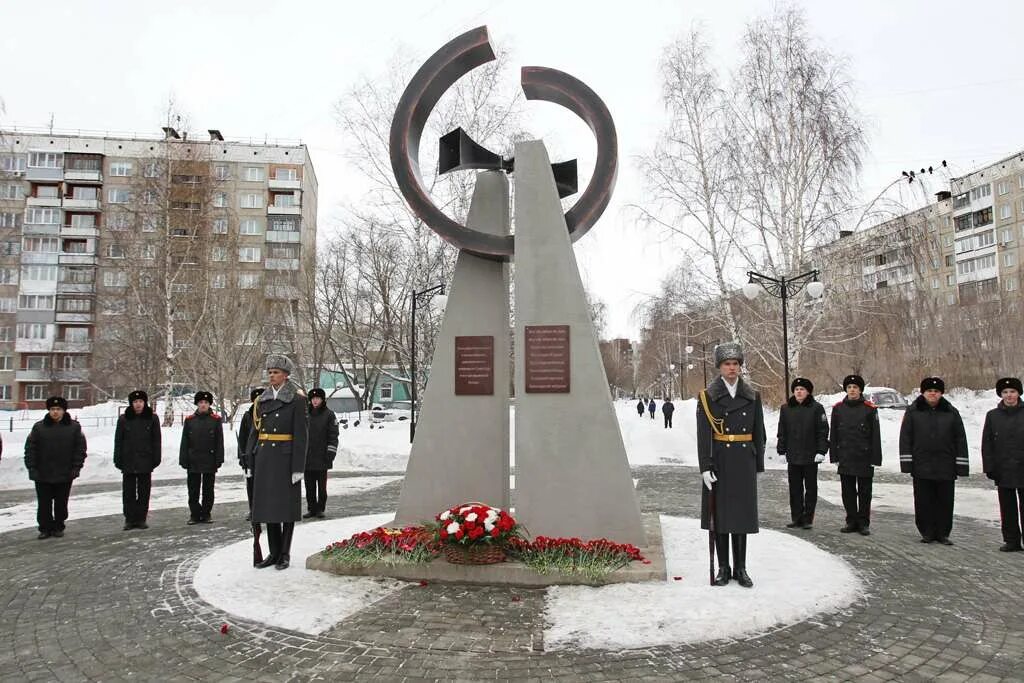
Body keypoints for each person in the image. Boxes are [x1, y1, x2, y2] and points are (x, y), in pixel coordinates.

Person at [697, 342, 765, 588]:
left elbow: (759, 432)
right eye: (727, 364)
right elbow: (704, 435)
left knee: (742, 517)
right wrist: (705, 466)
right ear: (719, 367)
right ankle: (724, 568)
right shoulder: (708, 397)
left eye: (736, 364)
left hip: (744, 461)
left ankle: (741, 568)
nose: (732, 368)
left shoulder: (752, 395)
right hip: (721, 462)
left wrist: (757, 464)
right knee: (722, 517)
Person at [247, 355, 308, 569]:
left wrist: (298, 467)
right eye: (270, 372)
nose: (272, 376)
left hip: (285, 457)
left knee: (286, 508)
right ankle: (273, 553)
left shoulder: (297, 400)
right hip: (265, 457)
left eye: (276, 372)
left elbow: (301, 435)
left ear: (286, 375)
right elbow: (255, 432)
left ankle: (284, 553)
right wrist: (249, 459)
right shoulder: (262, 400)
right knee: (268, 507)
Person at [899, 377, 969, 545]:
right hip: (921, 463)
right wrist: (907, 462)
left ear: (941, 393)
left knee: (945, 501)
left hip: (946, 464)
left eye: (936, 391)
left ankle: (943, 533)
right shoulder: (913, 411)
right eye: (929, 391)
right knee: (923, 500)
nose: (933, 394)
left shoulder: (951, 412)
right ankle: (927, 531)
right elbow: (906, 437)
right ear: (923, 393)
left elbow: (960, 439)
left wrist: (961, 465)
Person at [24, 396, 87, 539]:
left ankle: (58, 526)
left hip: (65, 473)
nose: (55, 412)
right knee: (44, 503)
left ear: (64, 411)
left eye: (58, 409)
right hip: (43, 473)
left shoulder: (74, 427)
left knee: (61, 503)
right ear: (48, 410)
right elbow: (30, 449)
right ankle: (45, 528)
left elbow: (80, 450)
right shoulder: (39, 427)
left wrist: (76, 468)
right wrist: (32, 468)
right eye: (52, 409)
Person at [830, 375, 882, 535]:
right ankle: (851, 521)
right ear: (846, 390)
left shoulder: (870, 409)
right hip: (845, 456)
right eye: (849, 387)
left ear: (860, 390)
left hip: (864, 457)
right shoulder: (838, 409)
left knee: (865, 492)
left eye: (855, 387)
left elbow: (875, 435)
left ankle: (863, 522)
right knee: (848, 492)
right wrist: (834, 456)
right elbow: (834, 435)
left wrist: (875, 458)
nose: (852, 390)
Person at [776, 377, 829, 530]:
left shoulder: (816, 408)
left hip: (811, 455)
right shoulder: (786, 408)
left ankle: (808, 518)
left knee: (811, 488)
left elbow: (823, 431)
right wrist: (781, 451)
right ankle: (796, 517)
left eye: (802, 389)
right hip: (793, 455)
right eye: (797, 389)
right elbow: (782, 431)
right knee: (795, 488)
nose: (799, 392)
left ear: (808, 392)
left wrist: (821, 450)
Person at [982, 377, 1024, 552]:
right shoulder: (993, 416)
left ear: (1018, 393)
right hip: (1003, 469)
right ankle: (1011, 540)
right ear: (1001, 395)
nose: (1009, 395)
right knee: (1007, 508)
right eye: (1005, 392)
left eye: (1013, 392)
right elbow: (987, 443)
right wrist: (990, 467)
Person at [114, 390, 161, 530]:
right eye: (135, 402)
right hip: (128, 461)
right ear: (131, 403)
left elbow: (156, 440)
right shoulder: (124, 419)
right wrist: (118, 459)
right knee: (128, 492)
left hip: (145, 461)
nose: (138, 404)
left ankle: (141, 518)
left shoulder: (152, 418)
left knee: (144, 491)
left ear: (144, 403)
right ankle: (129, 519)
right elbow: (118, 441)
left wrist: (155, 458)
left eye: (140, 401)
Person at [179, 391, 224, 525]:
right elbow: (185, 441)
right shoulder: (190, 420)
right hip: (194, 460)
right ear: (197, 404)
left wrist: (219, 459)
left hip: (209, 460)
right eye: (201, 403)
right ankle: (194, 514)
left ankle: (206, 513)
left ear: (209, 404)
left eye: (206, 403)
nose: (203, 405)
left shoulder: (215, 420)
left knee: (208, 489)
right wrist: (184, 459)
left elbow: (219, 442)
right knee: (193, 489)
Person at [303, 387, 339, 519]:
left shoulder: (329, 415)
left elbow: (333, 435)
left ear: (322, 400)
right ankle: (311, 508)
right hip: (307, 457)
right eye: (313, 399)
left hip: (322, 456)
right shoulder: (305, 414)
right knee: (309, 486)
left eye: (317, 398)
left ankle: (320, 508)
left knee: (321, 487)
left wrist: (330, 453)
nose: (315, 401)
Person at [237, 388, 265, 521]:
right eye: (256, 399)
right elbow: (242, 438)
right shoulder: (248, 415)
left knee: (266, 484)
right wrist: (242, 457)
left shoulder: (268, 414)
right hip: (250, 456)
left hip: (265, 455)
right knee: (251, 484)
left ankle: (266, 509)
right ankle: (253, 509)